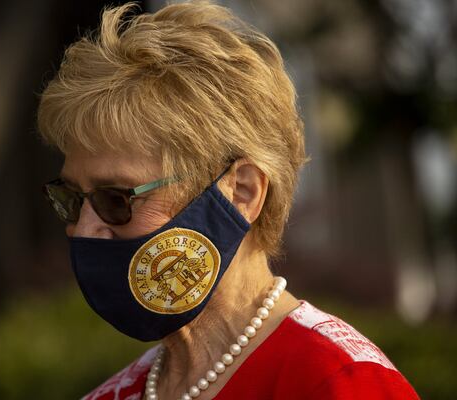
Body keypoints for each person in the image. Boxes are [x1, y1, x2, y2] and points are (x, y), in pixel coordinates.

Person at [37, 1, 420, 399]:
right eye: (73, 199)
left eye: (114, 199)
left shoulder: (340, 381)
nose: (84, 230)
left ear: (242, 192)